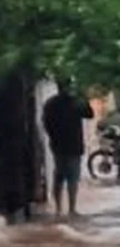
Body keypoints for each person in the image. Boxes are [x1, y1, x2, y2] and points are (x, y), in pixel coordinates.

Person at [41, 80, 94, 217]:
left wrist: (53, 138)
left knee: (59, 176)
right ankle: (71, 209)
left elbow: (45, 123)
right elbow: (90, 114)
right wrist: (84, 97)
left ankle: (59, 209)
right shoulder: (76, 102)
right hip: (73, 145)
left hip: (59, 145)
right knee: (72, 177)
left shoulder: (51, 103)